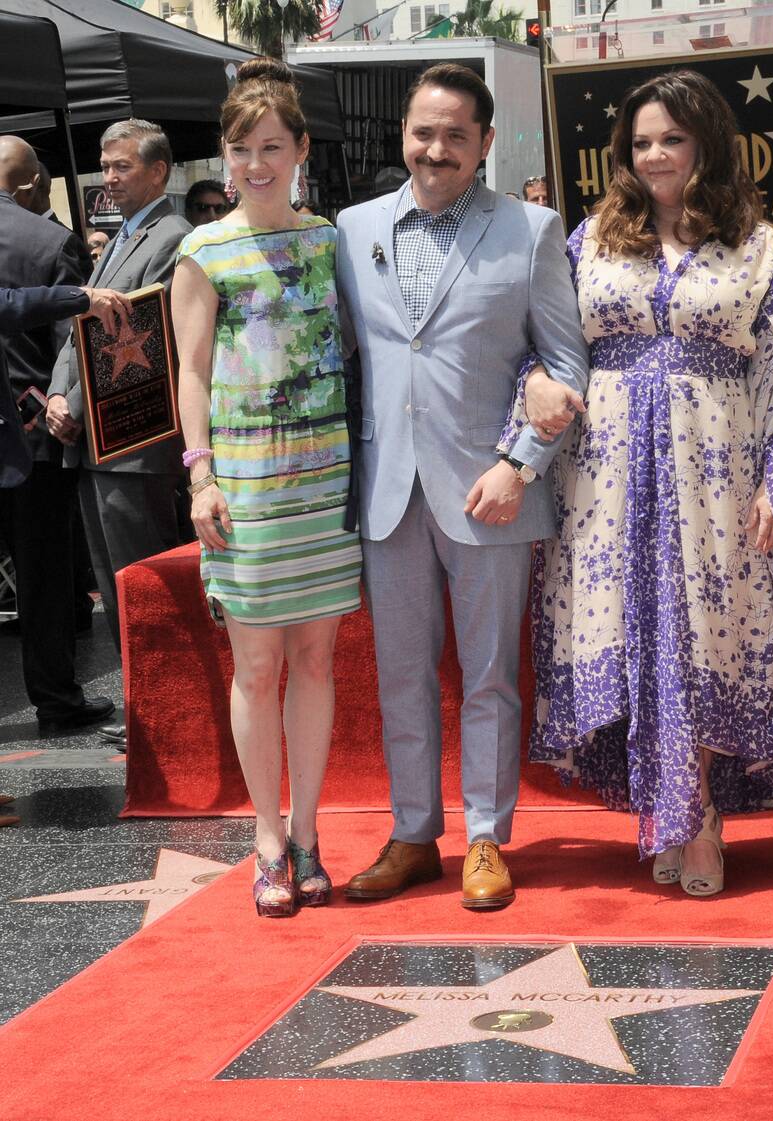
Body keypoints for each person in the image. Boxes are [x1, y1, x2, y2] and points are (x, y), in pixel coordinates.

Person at [512, 69, 773, 898]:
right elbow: (548, 343)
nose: (655, 155)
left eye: (672, 140)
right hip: (605, 481)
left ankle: (701, 810)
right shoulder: (589, 240)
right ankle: (667, 807)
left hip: (716, 472)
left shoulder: (760, 246)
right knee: (641, 636)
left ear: (706, 144)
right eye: (641, 142)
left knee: (706, 636)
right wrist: (537, 385)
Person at [336, 63, 588, 911]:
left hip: (493, 491)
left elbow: (565, 361)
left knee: (488, 677)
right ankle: (414, 834)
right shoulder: (352, 228)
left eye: (454, 135)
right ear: (402, 135)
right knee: (401, 675)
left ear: (483, 143)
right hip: (387, 492)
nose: (434, 149)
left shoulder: (531, 229)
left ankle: (486, 836)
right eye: (422, 132)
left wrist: (520, 464)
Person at [174, 58, 362, 919]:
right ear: (225, 154)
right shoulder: (201, 251)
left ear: (301, 150)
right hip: (243, 482)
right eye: (243, 147)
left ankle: (312, 831)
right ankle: (266, 841)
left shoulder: (329, 242)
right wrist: (200, 473)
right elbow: (192, 370)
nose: (257, 162)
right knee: (256, 662)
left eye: (272, 146)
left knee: (317, 659)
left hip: (323, 476)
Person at [46, 120, 193, 750]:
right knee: (114, 587)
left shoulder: (172, 237)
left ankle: (170, 716)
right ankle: (145, 712)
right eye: (104, 166)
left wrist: (75, 400)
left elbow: (126, 328)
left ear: (158, 171)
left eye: (121, 167)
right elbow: (79, 321)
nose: (107, 179)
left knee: (146, 582)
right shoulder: (118, 237)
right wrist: (58, 391)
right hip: (95, 441)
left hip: (135, 441)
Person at [0, 136, 121, 735]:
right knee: (45, 576)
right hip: (37, 431)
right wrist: (63, 403)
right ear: (31, 185)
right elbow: (71, 343)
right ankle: (55, 698)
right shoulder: (51, 241)